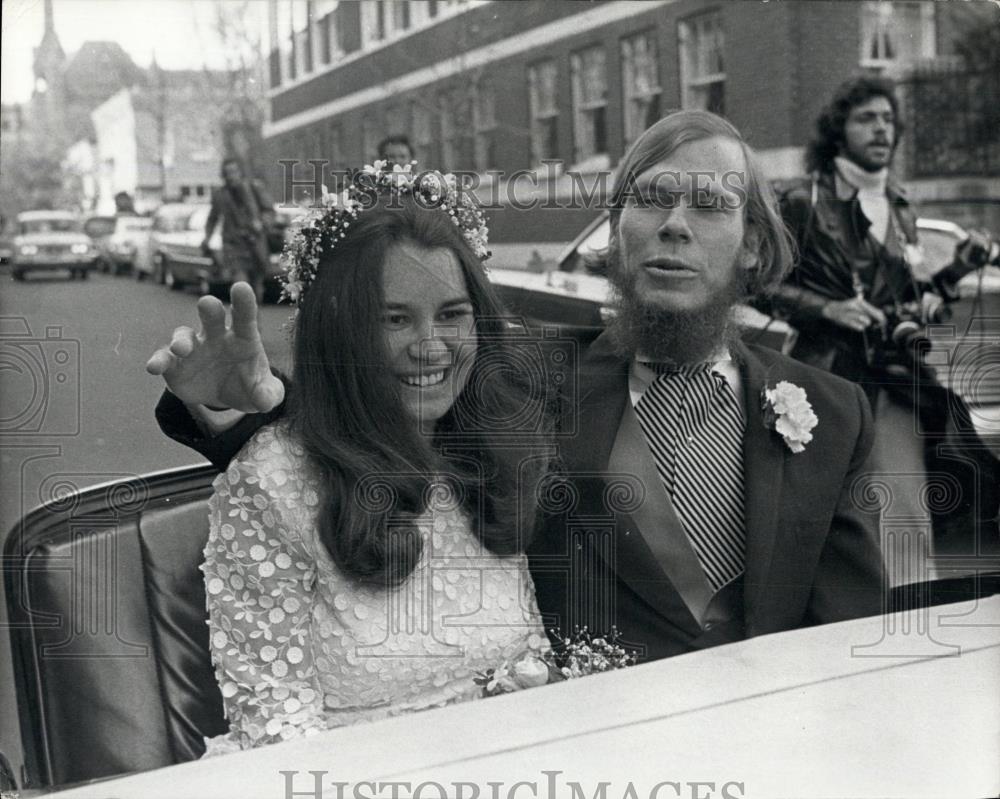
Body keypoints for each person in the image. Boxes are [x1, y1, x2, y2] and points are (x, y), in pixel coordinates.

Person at [149, 112, 884, 674]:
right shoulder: (517, 383)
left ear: (754, 243)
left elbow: (852, 643)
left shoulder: (837, 415)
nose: (675, 226)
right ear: (616, 230)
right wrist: (252, 401)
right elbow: (366, 420)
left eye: (710, 206)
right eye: (652, 200)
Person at [150, 168, 550, 751]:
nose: (432, 346)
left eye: (452, 314)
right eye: (394, 319)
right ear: (342, 331)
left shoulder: (491, 449)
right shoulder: (272, 481)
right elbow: (276, 724)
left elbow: (528, 657)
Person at [764, 76, 997, 586]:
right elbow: (757, 284)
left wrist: (957, 270)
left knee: (905, 510)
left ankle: (907, 621)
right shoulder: (801, 200)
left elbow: (909, 301)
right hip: (822, 378)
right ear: (838, 130)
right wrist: (829, 310)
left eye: (888, 119)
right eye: (866, 118)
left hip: (892, 380)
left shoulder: (900, 204)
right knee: (822, 516)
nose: (881, 129)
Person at [204, 157, 275, 304]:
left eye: (234, 171)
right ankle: (246, 324)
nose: (231, 176)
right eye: (227, 173)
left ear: (241, 172)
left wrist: (262, 223)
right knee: (241, 288)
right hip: (234, 247)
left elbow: (269, 210)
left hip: (255, 245)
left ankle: (253, 325)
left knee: (256, 290)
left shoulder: (254, 188)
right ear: (223, 175)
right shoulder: (220, 194)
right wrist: (207, 237)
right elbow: (212, 218)